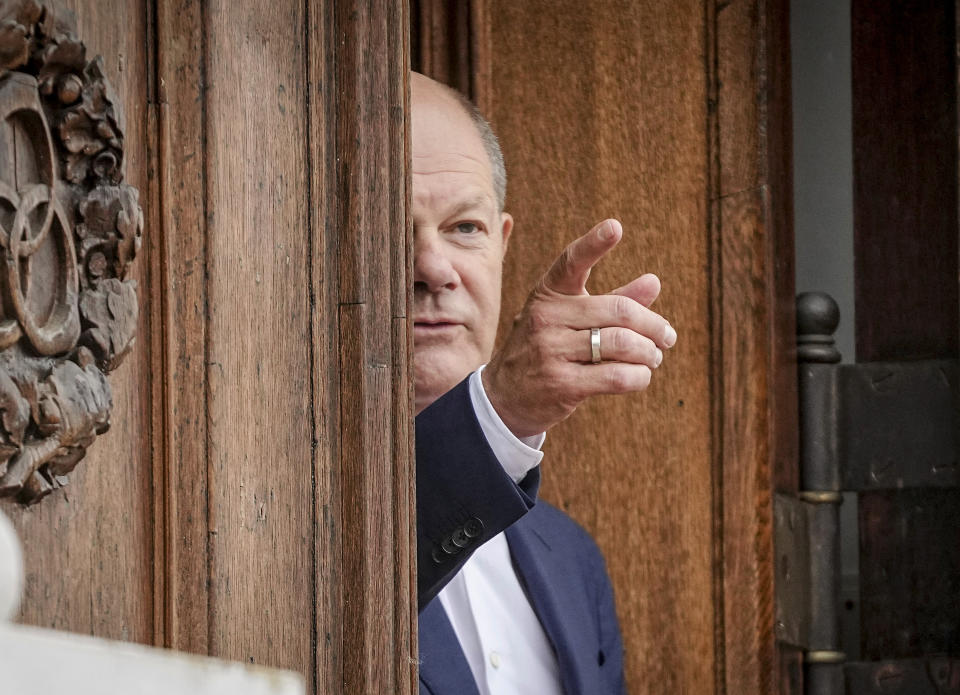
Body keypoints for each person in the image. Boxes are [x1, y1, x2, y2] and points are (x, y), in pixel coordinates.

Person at [412, 72, 676, 695]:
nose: (432, 266)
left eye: (464, 228)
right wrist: (501, 411)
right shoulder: (269, 519)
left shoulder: (572, 556)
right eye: (388, 227)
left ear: (502, 244)